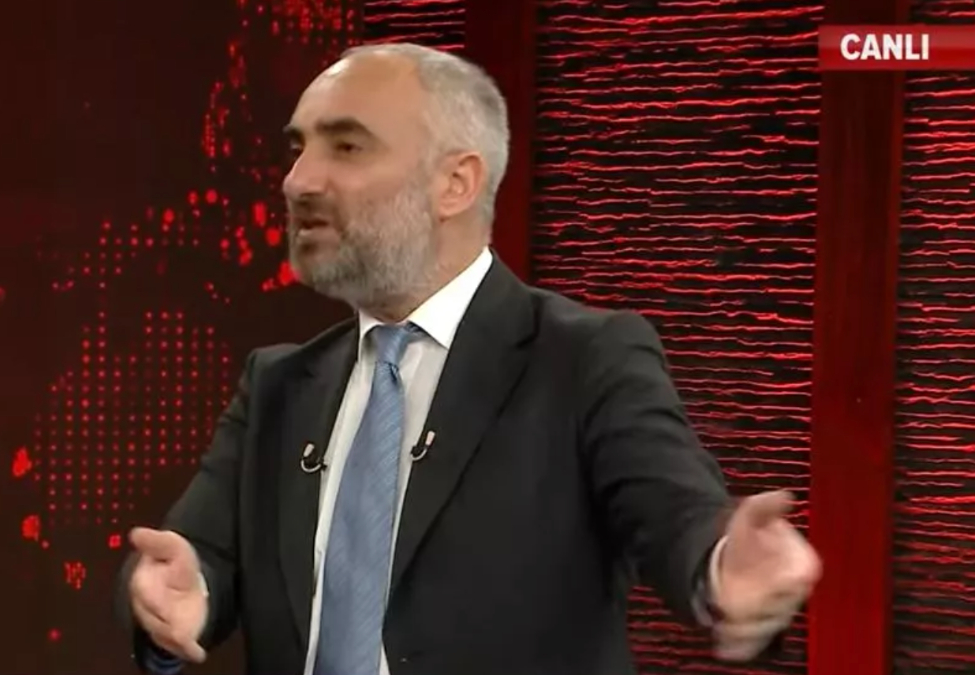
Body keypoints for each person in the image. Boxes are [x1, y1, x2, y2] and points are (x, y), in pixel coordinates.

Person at [116, 42, 821, 675]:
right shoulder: (277, 383)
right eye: (299, 148)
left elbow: (676, 515)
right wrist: (175, 594)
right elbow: (195, 558)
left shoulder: (583, 359)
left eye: (347, 146)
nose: (298, 181)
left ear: (455, 183)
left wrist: (724, 563)